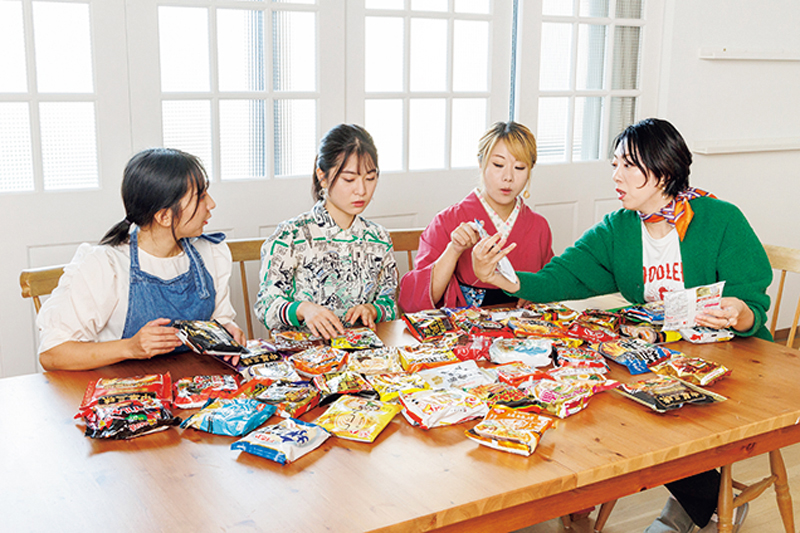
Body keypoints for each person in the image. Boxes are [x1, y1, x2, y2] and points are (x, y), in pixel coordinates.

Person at [472, 118, 771, 533]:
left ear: (663, 170)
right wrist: (505, 279)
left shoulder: (721, 219)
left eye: (629, 165)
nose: (616, 176)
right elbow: (565, 275)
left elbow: (753, 300)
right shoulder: (619, 229)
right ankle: (700, 503)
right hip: (665, 357)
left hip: (733, 360)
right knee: (609, 400)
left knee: (647, 411)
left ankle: (690, 507)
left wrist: (740, 311)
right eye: (615, 164)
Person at [38, 148, 244, 371]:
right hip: (123, 393)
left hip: (192, 389)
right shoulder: (106, 266)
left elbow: (220, 319)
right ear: (164, 216)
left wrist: (227, 329)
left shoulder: (211, 253)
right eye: (201, 197)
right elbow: (52, 354)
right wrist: (130, 347)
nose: (211, 204)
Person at [255, 123, 398, 339]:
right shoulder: (290, 236)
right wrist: (303, 309)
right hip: (306, 359)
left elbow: (389, 304)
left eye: (370, 178)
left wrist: (373, 310)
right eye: (349, 179)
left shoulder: (379, 238)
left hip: (366, 358)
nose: (362, 190)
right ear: (322, 176)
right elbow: (266, 306)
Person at [398, 121, 553, 312]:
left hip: (523, 330)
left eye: (519, 168)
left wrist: (536, 296)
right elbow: (414, 302)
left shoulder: (539, 226)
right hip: (465, 332)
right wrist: (454, 249)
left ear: (530, 169)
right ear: (481, 163)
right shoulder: (447, 221)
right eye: (498, 164)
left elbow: (550, 286)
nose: (508, 177)